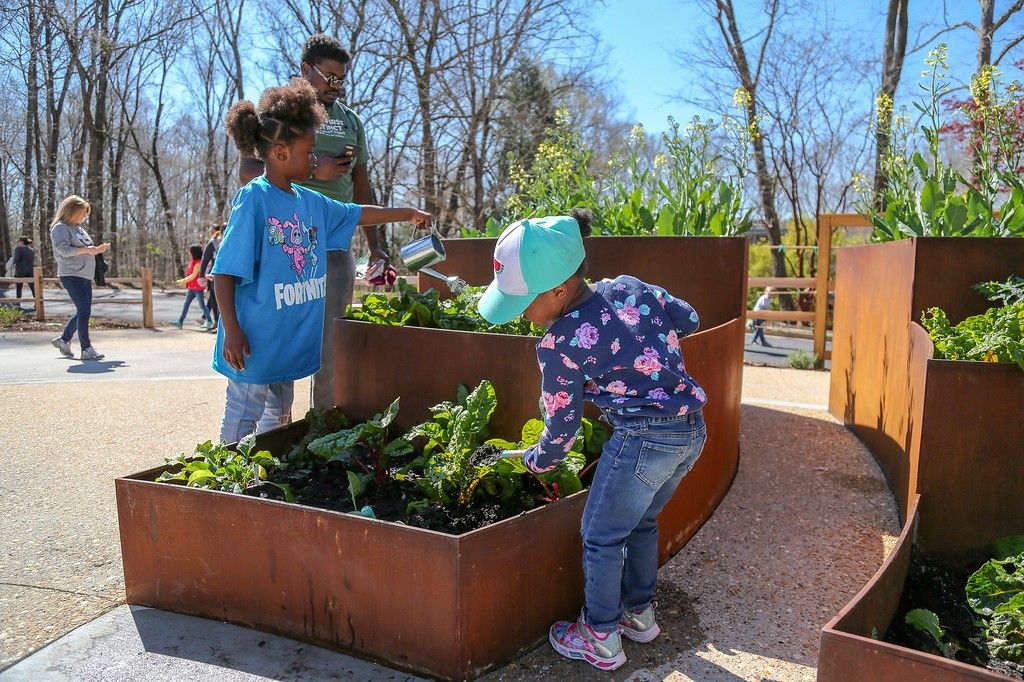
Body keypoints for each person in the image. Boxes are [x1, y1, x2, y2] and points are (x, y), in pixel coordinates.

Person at [477, 209, 708, 671]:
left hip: (641, 438)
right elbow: (690, 318)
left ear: (559, 290)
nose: (523, 316)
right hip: (690, 429)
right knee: (641, 522)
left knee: (600, 535)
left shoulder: (559, 343)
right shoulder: (630, 287)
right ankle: (638, 615)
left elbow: (561, 430)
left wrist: (536, 461)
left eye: (524, 304)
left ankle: (600, 634)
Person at [216, 77, 432, 443]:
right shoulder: (255, 199)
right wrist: (232, 330)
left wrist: (406, 212)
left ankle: (265, 479)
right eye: (308, 151)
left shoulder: (310, 201)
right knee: (243, 415)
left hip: (283, 341)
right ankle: (226, 484)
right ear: (281, 153)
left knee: (279, 415)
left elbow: (358, 212)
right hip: (253, 341)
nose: (315, 158)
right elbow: (224, 271)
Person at [239, 34, 386, 410]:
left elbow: (361, 183)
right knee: (281, 335)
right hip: (285, 245)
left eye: (342, 80)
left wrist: (376, 247)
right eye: (329, 77)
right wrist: (312, 173)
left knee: (332, 343)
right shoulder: (278, 113)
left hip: (335, 245)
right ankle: (276, 425)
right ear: (306, 70)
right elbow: (248, 171)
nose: (336, 86)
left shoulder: (351, 122)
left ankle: (322, 428)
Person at [49, 195, 109, 361]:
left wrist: (97, 250)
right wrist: (87, 250)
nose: (85, 217)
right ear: (72, 211)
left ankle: (64, 340)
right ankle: (86, 348)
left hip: (84, 274)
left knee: (84, 311)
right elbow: (63, 250)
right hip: (71, 274)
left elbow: (86, 248)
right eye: (83, 213)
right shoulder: (60, 228)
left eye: (86, 214)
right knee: (84, 311)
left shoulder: (78, 228)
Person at [170, 244, 212, 329]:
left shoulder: (198, 263)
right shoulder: (193, 261)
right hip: (191, 288)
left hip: (197, 288)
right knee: (186, 304)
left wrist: (182, 281)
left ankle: (209, 321)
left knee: (202, 305)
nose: (189, 254)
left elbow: (193, 276)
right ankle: (180, 322)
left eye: (191, 252)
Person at [199, 223, 223, 331]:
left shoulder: (236, 240)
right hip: (216, 276)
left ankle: (219, 323)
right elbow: (205, 259)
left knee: (218, 300)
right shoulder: (215, 242)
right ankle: (217, 322)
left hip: (230, 276)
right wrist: (201, 275)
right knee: (214, 299)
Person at [12, 236, 35, 305]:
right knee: (33, 288)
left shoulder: (18, 249)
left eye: (18, 241)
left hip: (20, 271)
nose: (18, 243)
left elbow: (16, 259)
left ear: (21, 242)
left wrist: (12, 263)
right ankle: (37, 302)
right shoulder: (31, 250)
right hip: (30, 271)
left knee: (19, 287)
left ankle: (18, 303)